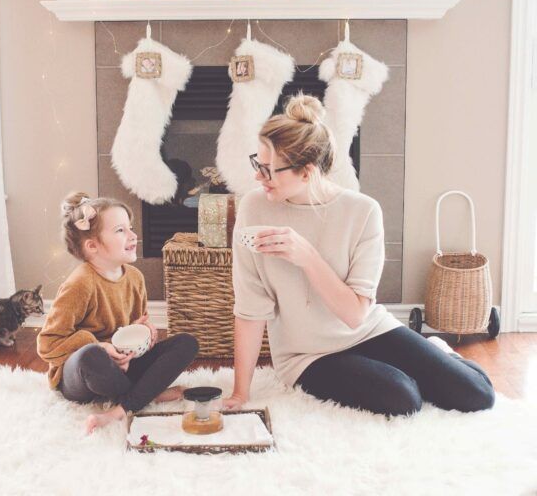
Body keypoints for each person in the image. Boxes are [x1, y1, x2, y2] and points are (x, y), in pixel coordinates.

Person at [223, 93, 495, 417]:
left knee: (477, 394)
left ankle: (439, 353)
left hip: (368, 330)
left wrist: (306, 255)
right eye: (258, 163)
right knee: (404, 398)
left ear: (307, 172)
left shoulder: (363, 212)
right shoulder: (254, 208)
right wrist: (240, 393)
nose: (258, 177)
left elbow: (354, 315)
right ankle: (406, 370)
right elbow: (250, 310)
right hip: (307, 355)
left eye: (268, 170)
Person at [38, 192, 198, 433]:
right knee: (92, 355)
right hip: (85, 376)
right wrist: (101, 346)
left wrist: (145, 331)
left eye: (130, 228)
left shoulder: (135, 277)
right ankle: (146, 394)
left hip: (124, 366)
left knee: (187, 343)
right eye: (120, 230)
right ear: (92, 246)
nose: (133, 236)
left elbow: (136, 323)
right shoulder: (80, 284)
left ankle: (125, 404)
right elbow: (48, 344)